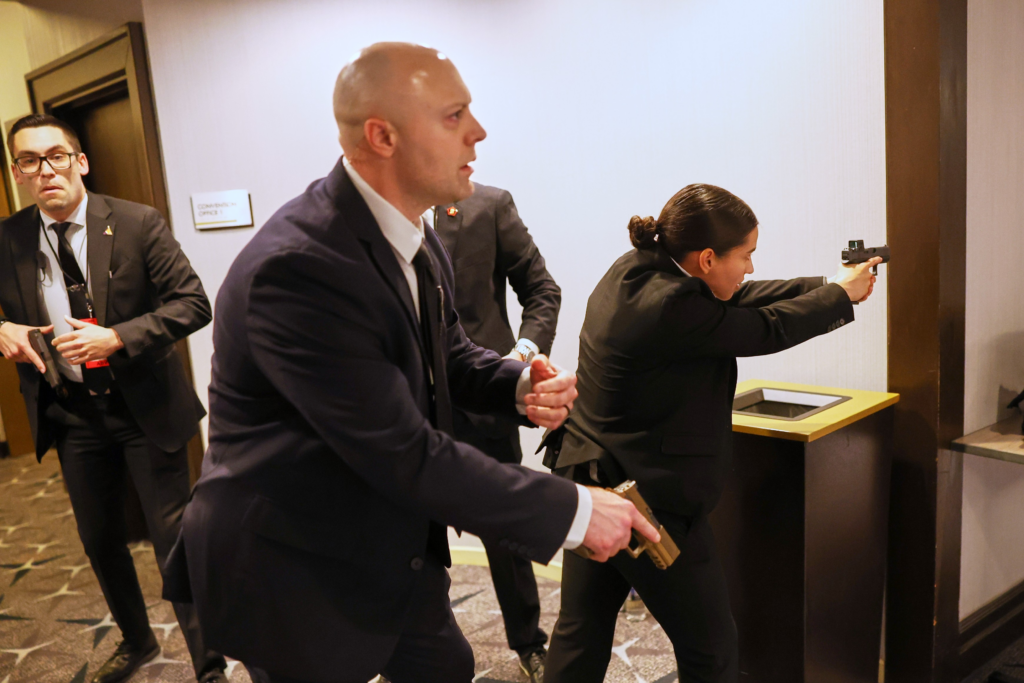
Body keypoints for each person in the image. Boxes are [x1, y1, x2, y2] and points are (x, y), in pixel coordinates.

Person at [165, 42, 659, 683]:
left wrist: (514, 386)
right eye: (455, 116)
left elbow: (446, 352)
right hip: (292, 556)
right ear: (383, 136)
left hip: (386, 537)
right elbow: (401, 452)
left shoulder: (413, 233)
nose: (478, 132)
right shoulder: (301, 269)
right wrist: (576, 511)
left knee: (447, 667)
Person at [543, 183, 881, 683]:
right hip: (647, 502)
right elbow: (763, 328)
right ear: (706, 259)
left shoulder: (637, 269)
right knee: (711, 649)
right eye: (746, 255)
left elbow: (739, 299)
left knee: (581, 631)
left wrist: (829, 285)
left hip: (592, 478)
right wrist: (838, 297)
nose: (750, 267)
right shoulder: (671, 307)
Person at [0, 114, 227, 683]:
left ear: (80, 162)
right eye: (29, 160)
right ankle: (138, 641)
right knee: (99, 540)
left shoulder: (135, 222)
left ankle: (209, 664)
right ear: (18, 172)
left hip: (144, 408)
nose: (45, 170)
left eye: (56, 156)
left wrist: (118, 337)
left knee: (173, 541)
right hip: (71, 412)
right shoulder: (8, 238)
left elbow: (193, 304)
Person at [434, 185, 561, 682]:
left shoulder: (488, 206)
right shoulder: (383, 220)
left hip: (485, 400)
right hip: (410, 410)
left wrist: (520, 358)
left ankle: (529, 643)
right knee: (405, 534)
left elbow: (541, 289)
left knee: (506, 533)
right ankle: (402, 649)